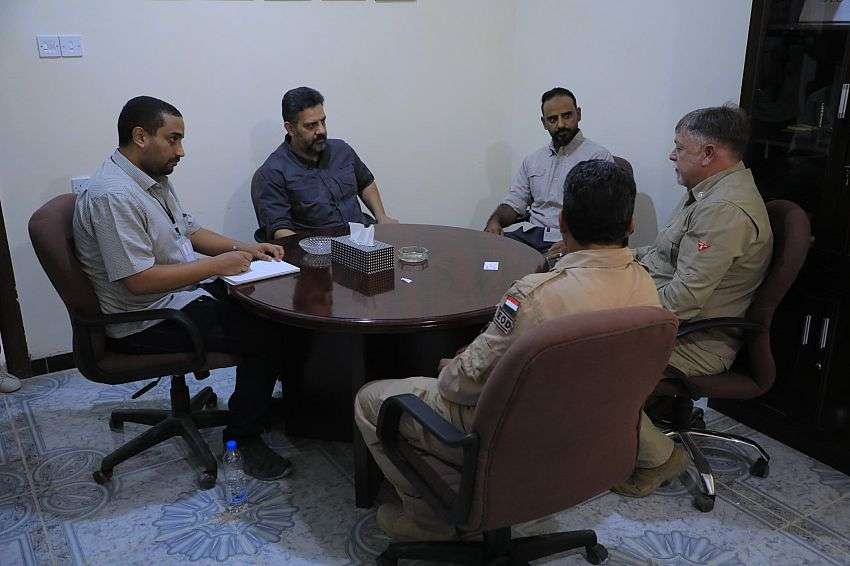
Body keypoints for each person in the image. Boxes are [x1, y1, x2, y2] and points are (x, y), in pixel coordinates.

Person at [355, 159, 679, 542]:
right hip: (590, 434)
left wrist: (451, 366)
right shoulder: (647, 289)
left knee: (371, 398)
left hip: (514, 437)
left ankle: (433, 520)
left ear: (562, 222)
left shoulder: (535, 296)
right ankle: (472, 494)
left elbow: (459, 387)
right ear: (631, 225)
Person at [73, 96, 294, 481]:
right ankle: (243, 438)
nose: (181, 151)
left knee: (274, 305)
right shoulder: (113, 195)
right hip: (146, 319)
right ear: (140, 136)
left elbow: (188, 230)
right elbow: (137, 280)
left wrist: (245, 248)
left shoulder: (150, 179)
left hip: (182, 294)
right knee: (267, 334)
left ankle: (270, 405)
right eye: (173, 139)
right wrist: (216, 266)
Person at [613, 105, 773, 497]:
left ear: (708, 153)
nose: (672, 155)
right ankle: (641, 417)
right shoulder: (707, 193)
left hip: (696, 339)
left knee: (584, 355)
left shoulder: (723, 211)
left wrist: (616, 308)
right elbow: (661, 255)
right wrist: (610, 261)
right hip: (673, 322)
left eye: (679, 147)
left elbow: (681, 301)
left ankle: (660, 457)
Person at [252, 87, 397, 241]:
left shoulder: (342, 150)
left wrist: (381, 216)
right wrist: (310, 249)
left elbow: (365, 182)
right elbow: (280, 231)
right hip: (317, 249)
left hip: (362, 238)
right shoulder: (271, 173)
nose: (321, 130)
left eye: (323, 121)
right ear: (291, 129)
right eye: (311, 125)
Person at [484, 87, 613, 254]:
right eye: (552, 119)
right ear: (544, 123)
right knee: (486, 251)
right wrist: (495, 221)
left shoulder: (598, 157)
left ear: (579, 114)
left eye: (567, 116)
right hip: (529, 235)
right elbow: (514, 202)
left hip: (570, 240)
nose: (561, 124)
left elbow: (603, 215)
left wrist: (574, 244)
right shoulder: (533, 160)